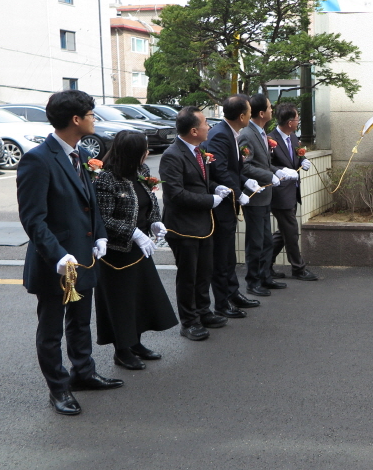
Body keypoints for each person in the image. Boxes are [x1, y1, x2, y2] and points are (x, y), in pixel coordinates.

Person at [17, 90, 123, 416]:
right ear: (76, 119)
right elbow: (33, 218)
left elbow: (88, 205)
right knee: (51, 331)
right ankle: (58, 389)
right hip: (57, 263)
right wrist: (58, 255)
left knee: (80, 323)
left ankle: (84, 372)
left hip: (83, 256)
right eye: (91, 114)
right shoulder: (38, 159)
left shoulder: (78, 154)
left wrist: (101, 235)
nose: (94, 118)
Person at [93, 130, 179, 370]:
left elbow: (149, 203)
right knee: (121, 301)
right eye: (144, 149)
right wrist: (133, 232)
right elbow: (103, 218)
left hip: (141, 249)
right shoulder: (106, 179)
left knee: (141, 297)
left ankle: (136, 343)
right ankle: (122, 350)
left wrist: (155, 222)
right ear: (131, 153)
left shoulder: (142, 171)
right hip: (116, 251)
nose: (147, 152)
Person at [160, 106, 230, 341]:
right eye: (204, 124)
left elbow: (199, 183)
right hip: (183, 226)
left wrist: (214, 188)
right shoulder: (173, 155)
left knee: (204, 272)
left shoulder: (198, 151)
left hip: (203, 224)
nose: (208, 127)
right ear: (193, 130)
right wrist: (210, 199)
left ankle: (203, 311)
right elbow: (175, 195)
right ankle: (189, 322)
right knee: (188, 276)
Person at [206, 94, 261, 317]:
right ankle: (222, 302)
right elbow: (219, 170)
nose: (251, 114)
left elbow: (232, 169)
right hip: (221, 205)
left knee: (229, 254)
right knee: (222, 255)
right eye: (249, 111)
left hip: (229, 202)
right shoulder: (220, 135)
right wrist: (238, 193)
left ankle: (233, 292)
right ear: (241, 115)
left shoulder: (231, 132)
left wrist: (245, 181)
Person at [238, 93, 288, 296]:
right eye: (269, 107)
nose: (272, 110)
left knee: (266, 239)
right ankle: (253, 281)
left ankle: (265, 276)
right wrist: (269, 175)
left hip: (265, 193)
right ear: (261, 113)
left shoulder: (260, 132)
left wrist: (277, 171)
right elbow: (245, 166)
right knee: (256, 241)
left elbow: (264, 163)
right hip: (255, 195)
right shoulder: (246, 135)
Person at [268, 103, 317, 281]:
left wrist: (303, 160)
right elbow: (266, 164)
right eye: (297, 119)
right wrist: (278, 171)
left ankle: (265, 265)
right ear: (290, 122)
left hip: (293, 191)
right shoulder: (270, 140)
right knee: (291, 231)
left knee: (284, 232)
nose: (298, 122)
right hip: (280, 193)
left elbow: (298, 155)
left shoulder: (293, 137)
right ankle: (298, 268)